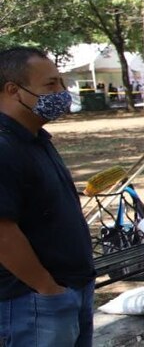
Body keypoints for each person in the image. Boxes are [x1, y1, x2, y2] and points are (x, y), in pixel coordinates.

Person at [0, 47, 94, 347]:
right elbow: (3, 233)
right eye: (50, 85)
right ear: (14, 90)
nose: (62, 93)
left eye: (61, 83)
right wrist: (47, 288)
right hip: (33, 303)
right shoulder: (4, 146)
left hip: (69, 289)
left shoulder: (37, 138)